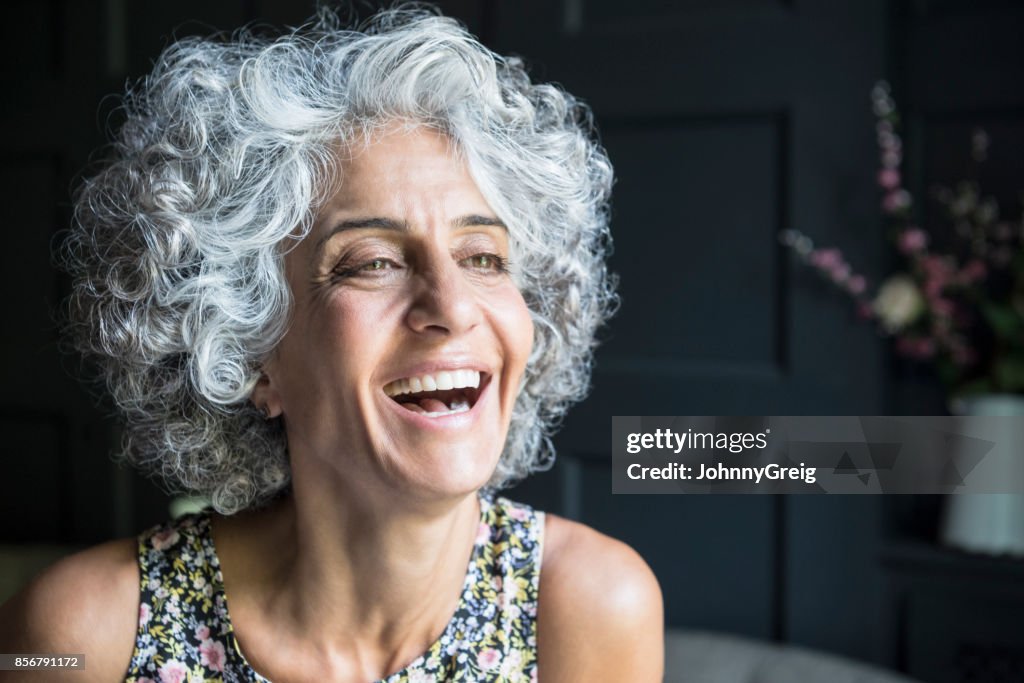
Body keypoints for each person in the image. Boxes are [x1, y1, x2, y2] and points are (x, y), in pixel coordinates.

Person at [0, 6, 663, 681]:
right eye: (372, 261)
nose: (454, 306)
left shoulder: (591, 604)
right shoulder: (71, 633)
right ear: (245, 348)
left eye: (484, 257)